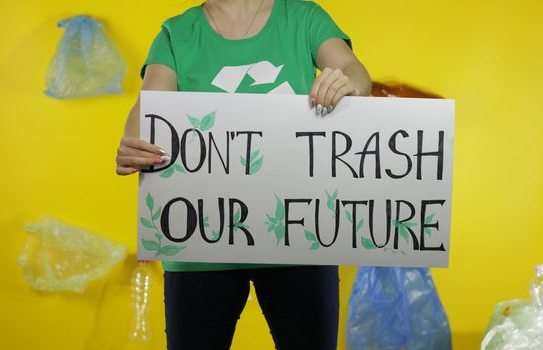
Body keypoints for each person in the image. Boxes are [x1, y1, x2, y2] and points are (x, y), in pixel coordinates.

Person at [116, 1, 371, 349]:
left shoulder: (303, 18)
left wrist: (348, 85)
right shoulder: (175, 32)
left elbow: (351, 69)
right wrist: (134, 142)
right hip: (201, 240)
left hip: (296, 234)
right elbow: (148, 107)